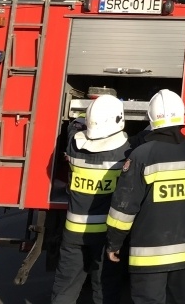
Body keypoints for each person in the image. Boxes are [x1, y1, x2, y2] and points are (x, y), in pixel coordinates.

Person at [106, 89, 185, 304]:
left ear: (151, 118)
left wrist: (114, 243)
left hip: (148, 257)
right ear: (181, 115)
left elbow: (123, 209)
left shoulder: (141, 155)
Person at [51, 95, 131, 304]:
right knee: (105, 289)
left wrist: (81, 118)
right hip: (106, 236)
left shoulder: (73, 146)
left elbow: (73, 126)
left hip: (73, 233)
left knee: (64, 288)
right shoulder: (124, 152)